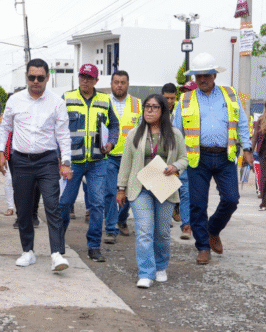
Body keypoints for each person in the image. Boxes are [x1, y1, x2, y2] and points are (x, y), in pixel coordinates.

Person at [172, 52, 253, 265]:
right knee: (198, 205)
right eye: (198, 76)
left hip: (226, 156)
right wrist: (174, 159)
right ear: (194, 78)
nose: (203, 79)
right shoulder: (186, 99)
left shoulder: (230, 95)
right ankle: (203, 247)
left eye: (206, 75)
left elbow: (242, 123)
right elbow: (177, 132)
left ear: (214, 75)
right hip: (197, 158)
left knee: (231, 199)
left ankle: (213, 230)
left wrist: (247, 147)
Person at [0, 58, 73, 271]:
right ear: (27, 77)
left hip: (47, 160)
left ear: (48, 77)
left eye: (40, 77)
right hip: (20, 160)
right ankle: (27, 251)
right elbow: (4, 128)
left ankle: (57, 253)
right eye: (32, 77)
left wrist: (65, 162)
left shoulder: (57, 102)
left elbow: (63, 135)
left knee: (52, 205)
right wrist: (1, 152)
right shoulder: (15, 100)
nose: (36, 81)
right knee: (24, 207)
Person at [117, 94, 187, 288]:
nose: (149, 110)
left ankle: (161, 266)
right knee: (144, 231)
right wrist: (121, 188)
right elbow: (126, 163)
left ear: (163, 111)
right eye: (147, 106)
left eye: (154, 107)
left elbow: (184, 159)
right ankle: (146, 272)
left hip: (164, 186)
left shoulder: (174, 134)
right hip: (140, 187)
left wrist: (175, 167)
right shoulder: (135, 134)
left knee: (162, 232)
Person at [59, 63, 120, 262]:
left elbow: (114, 125)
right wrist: (60, 157)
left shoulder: (104, 100)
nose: (85, 80)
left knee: (97, 204)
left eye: (89, 77)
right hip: (72, 162)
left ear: (96, 80)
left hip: (98, 161)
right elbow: (57, 127)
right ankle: (58, 243)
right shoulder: (67, 98)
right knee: (65, 203)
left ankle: (94, 246)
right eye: (82, 77)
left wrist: (111, 142)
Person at [103, 71, 142, 244]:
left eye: (123, 82)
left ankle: (122, 219)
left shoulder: (138, 104)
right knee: (111, 193)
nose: (119, 85)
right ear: (111, 84)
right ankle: (111, 229)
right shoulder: (104, 102)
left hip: (132, 157)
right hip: (109, 156)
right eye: (116, 82)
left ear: (128, 84)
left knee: (129, 193)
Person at [162, 82, 192, 239]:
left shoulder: (181, 109)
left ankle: (186, 224)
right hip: (164, 157)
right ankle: (165, 219)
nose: (169, 101)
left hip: (185, 156)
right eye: (166, 98)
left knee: (186, 191)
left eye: (172, 98)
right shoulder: (157, 109)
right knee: (167, 190)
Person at [254, 109, 266, 211]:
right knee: (264, 177)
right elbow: (255, 137)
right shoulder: (261, 120)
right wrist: (248, 151)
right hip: (263, 153)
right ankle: (264, 202)